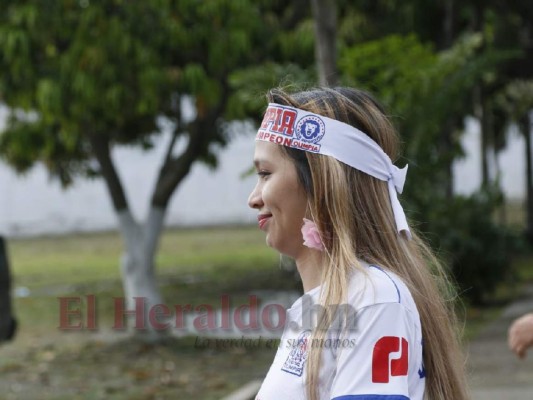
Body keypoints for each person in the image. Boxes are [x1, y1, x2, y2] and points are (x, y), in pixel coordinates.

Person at [247, 87, 469, 400]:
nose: (253, 198)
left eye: (265, 173)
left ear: (322, 182)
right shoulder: (324, 305)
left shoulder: (372, 298)